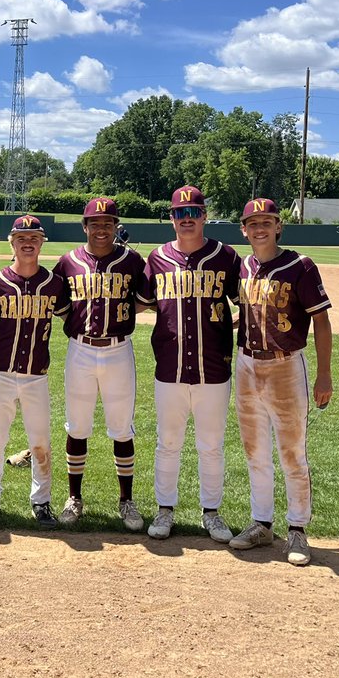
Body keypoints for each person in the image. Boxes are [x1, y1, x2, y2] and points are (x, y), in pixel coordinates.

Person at [228, 197, 333, 566]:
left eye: (266, 222)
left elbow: (321, 320)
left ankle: (298, 530)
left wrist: (324, 374)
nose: (259, 228)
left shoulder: (300, 266)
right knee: (255, 452)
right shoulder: (243, 267)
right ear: (244, 229)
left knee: (292, 453)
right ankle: (261, 524)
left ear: (278, 226)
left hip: (286, 366)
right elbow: (250, 311)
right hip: (246, 365)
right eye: (252, 223)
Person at [140, 186, 242, 543]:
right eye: (179, 214)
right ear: (171, 218)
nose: (186, 220)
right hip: (168, 366)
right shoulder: (156, 259)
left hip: (213, 368)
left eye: (193, 213)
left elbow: (249, 304)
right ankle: (164, 510)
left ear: (204, 215)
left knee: (211, 445)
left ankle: (211, 513)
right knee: (168, 443)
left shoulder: (226, 257)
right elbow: (140, 303)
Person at [52, 197, 149, 531]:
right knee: (76, 426)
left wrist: (116, 316)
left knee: (121, 427)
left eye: (108, 223)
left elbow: (144, 299)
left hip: (118, 349)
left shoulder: (132, 261)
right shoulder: (68, 262)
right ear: (85, 226)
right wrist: (78, 320)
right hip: (80, 349)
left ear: (115, 226)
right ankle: (74, 498)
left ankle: (126, 500)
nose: (102, 229)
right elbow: (59, 303)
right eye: (95, 223)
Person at [0, 214, 70, 527]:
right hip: (1, 373)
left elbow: (73, 319)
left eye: (34, 238)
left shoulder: (53, 284)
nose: (28, 243)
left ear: (42, 242)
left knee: (40, 441)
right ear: (11, 242)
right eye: (21, 238)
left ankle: (41, 503)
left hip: (36, 376)